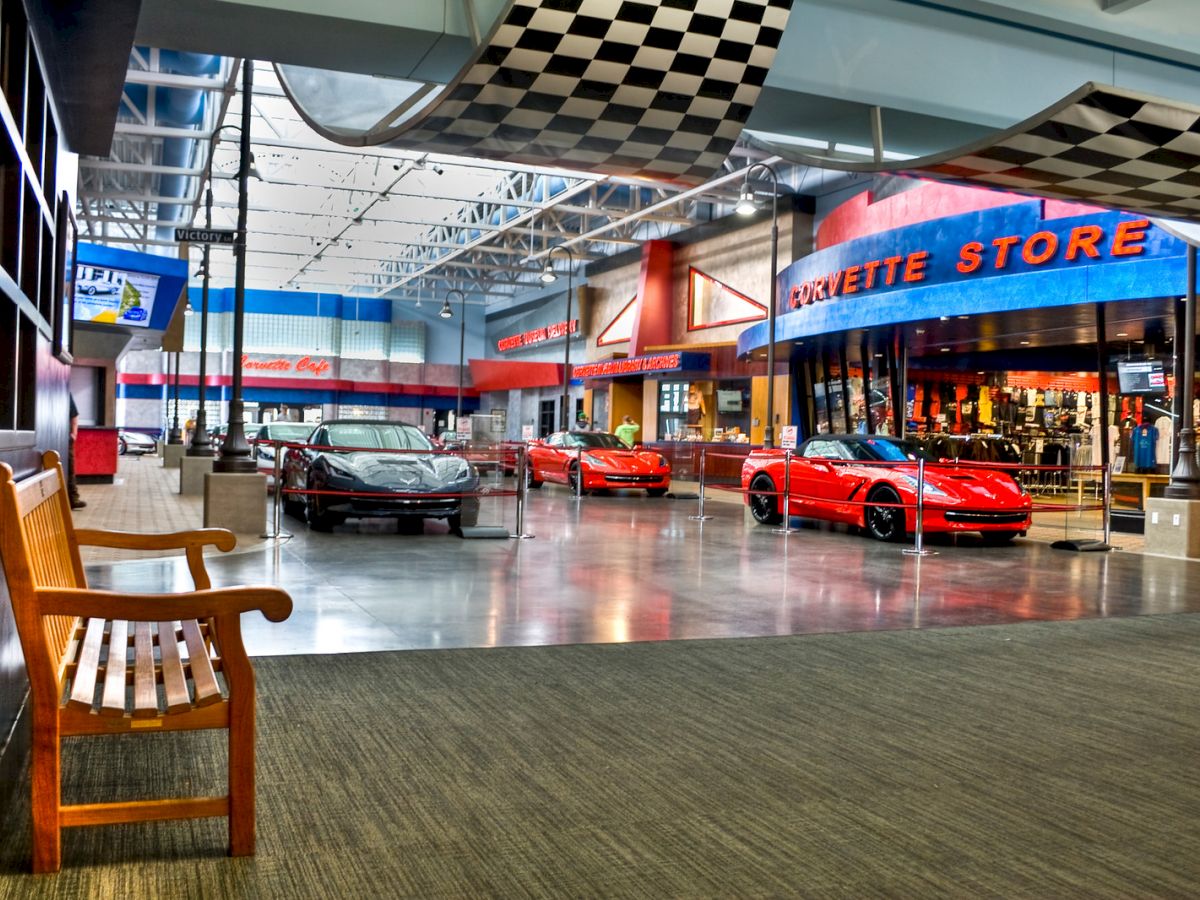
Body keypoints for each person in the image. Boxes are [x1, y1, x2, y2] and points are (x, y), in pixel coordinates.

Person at [67, 394, 86, 509]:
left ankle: (73, 498)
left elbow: (74, 415)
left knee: (70, 468)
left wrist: (74, 434)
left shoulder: (66, 394)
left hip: (66, 438)